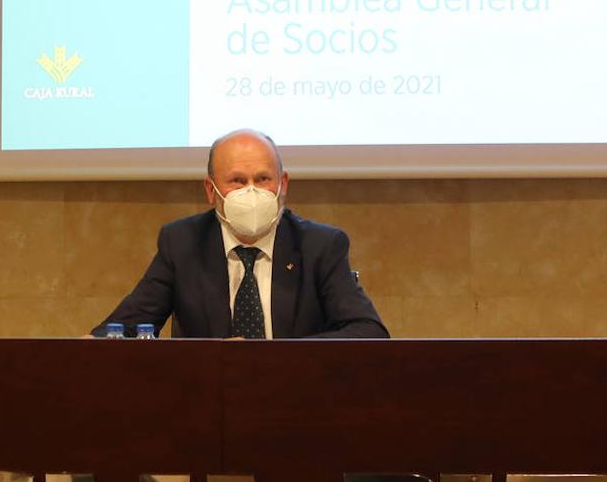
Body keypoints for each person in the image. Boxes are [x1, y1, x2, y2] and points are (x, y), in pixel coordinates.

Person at [91, 129, 388, 338]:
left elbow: (368, 331)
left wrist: (277, 359)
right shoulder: (182, 243)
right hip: (206, 398)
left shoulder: (320, 245)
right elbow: (122, 329)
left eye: (263, 179)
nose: (251, 191)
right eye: (237, 180)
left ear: (283, 184)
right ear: (211, 190)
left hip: (296, 394)